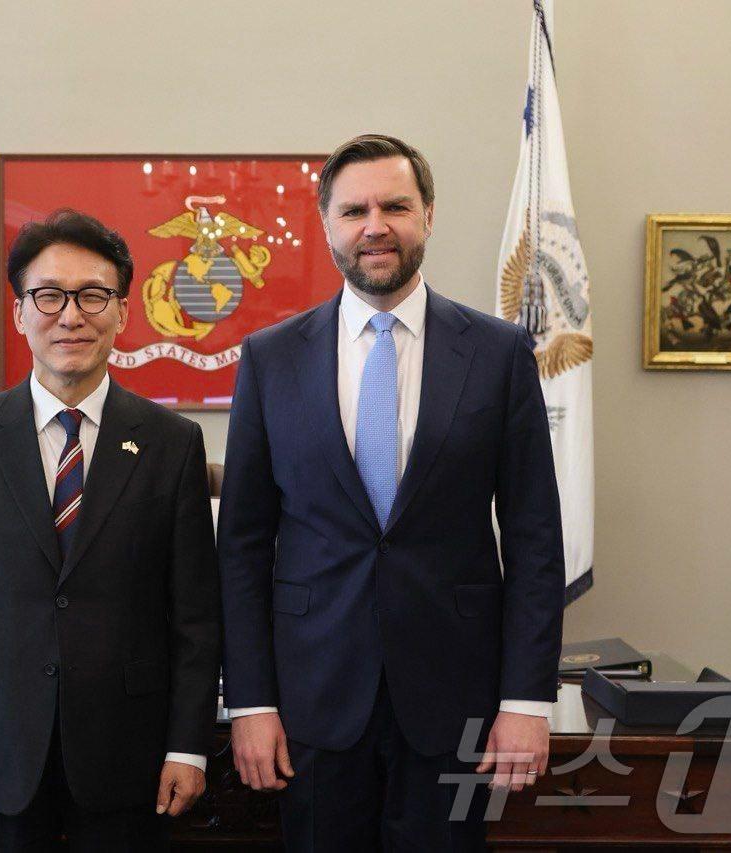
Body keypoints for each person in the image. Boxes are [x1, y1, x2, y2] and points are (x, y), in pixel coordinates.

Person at [218, 134, 565, 850]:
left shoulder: (499, 355)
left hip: (456, 695)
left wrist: (526, 698)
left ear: (429, 215)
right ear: (327, 227)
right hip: (312, 699)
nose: (375, 225)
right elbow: (243, 546)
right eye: (354, 210)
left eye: (395, 205)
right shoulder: (270, 358)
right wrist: (249, 699)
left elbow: (534, 537)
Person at [0, 209, 221, 851]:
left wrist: (189, 746)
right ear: (21, 312)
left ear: (123, 312)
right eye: (48, 296)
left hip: (127, 752)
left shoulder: (172, 444)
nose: (70, 316)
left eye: (92, 296)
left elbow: (196, 616)